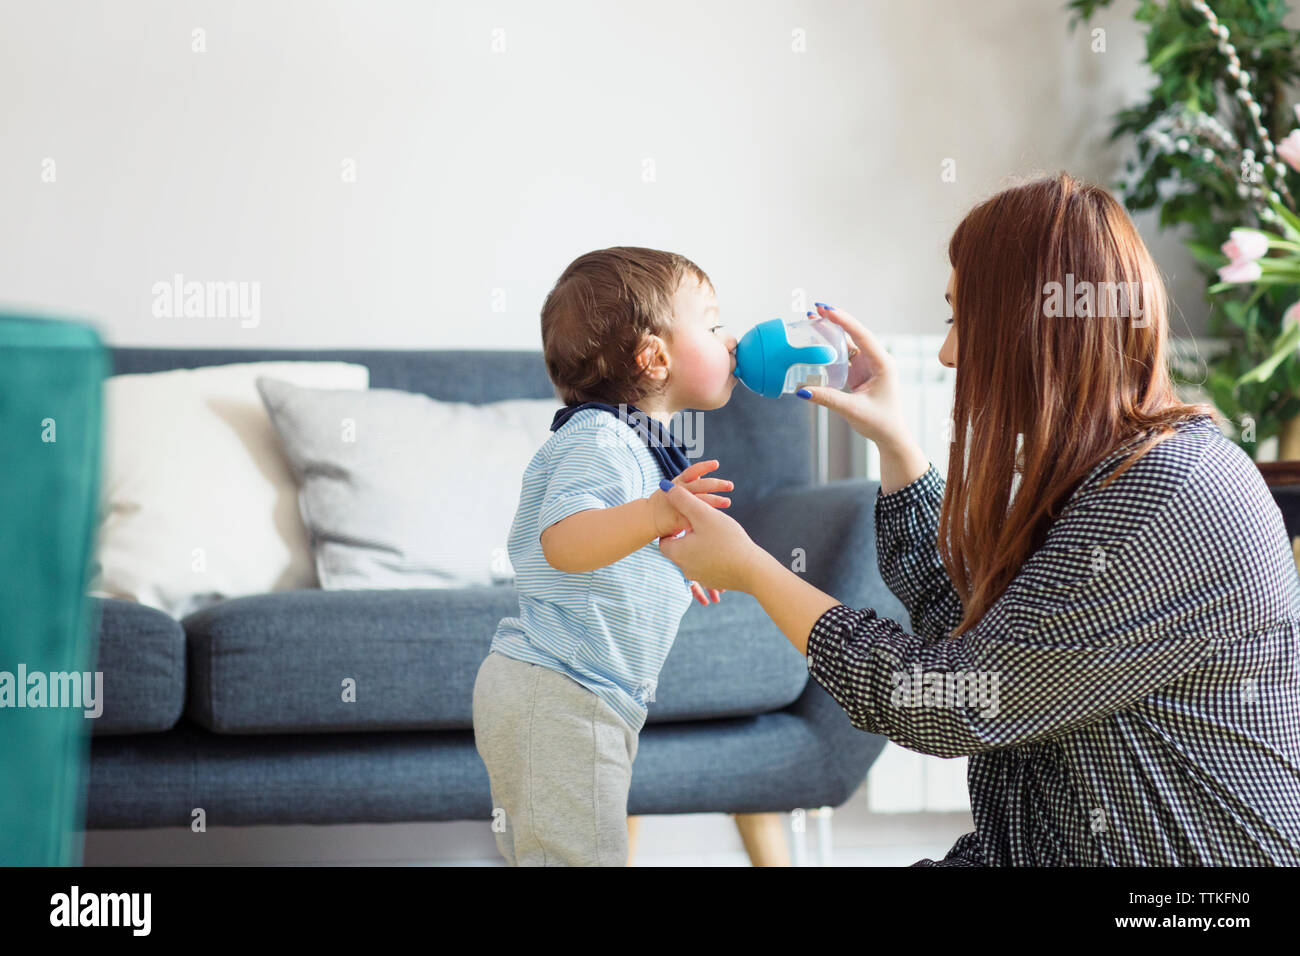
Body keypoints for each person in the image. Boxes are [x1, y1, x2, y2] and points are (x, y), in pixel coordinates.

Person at [656, 172, 1300, 865]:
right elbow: (966, 632)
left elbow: (944, 699)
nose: (948, 353)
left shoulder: (1164, 498)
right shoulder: (1103, 475)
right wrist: (897, 445)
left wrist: (754, 570)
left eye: (963, 321)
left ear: (1035, 327)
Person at [473, 246, 739, 865]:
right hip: (563, 689)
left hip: (581, 693)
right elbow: (566, 538)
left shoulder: (632, 443)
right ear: (654, 356)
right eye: (713, 323)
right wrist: (657, 514)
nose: (731, 341)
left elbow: (612, 539)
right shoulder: (600, 437)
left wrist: (668, 560)